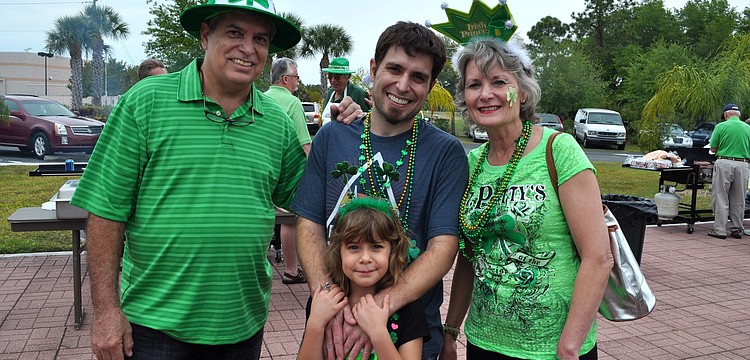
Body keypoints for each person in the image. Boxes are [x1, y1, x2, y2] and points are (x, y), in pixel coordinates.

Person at [69, 1, 360, 359]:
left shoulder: (276, 122)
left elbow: (315, 205)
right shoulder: (145, 102)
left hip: (242, 326)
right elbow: (105, 211)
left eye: (260, 39)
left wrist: (350, 135)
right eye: (234, 33)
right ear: (206, 35)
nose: (248, 48)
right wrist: (106, 311)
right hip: (154, 327)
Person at [430, 3, 612, 359]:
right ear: (465, 97)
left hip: (553, 348)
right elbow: (469, 256)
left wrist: (570, 345)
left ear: (522, 92)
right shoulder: (471, 163)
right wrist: (451, 331)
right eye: (474, 85)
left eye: (499, 82)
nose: (486, 94)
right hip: (483, 343)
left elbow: (598, 256)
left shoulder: (558, 151)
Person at [292, 21, 468, 360]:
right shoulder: (331, 137)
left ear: (430, 86)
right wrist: (331, 300)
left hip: (410, 334)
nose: (403, 85)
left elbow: (444, 246)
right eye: (395, 69)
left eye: (418, 77)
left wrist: (376, 311)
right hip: (332, 326)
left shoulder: (446, 152)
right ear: (374, 69)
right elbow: (309, 223)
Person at [299, 197, 430, 360]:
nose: (365, 258)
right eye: (354, 247)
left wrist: (378, 332)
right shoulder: (323, 302)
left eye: (376, 247)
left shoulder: (408, 308)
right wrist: (315, 324)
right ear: (338, 252)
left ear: (393, 251)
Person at [265, 57, 312, 284]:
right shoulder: (292, 104)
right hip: (287, 171)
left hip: (263, 169)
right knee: (289, 219)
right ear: (285, 79)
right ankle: (292, 270)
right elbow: (304, 143)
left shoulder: (261, 99)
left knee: (266, 217)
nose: (298, 83)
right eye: (296, 78)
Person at [708, 104, 750, 239]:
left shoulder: (721, 127)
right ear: (739, 115)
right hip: (743, 164)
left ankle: (720, 229)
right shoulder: (748, 128)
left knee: (720, 195)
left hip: (724, 162)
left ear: (726, 114)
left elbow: (713, 148)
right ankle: (737, 228)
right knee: (739, 198)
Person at [321, 57, 371, 125]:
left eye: (337, 77)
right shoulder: (330, 93)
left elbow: (367, 121)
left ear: (348, 77)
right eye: (330, 76)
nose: (332, 80)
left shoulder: (359, 94)